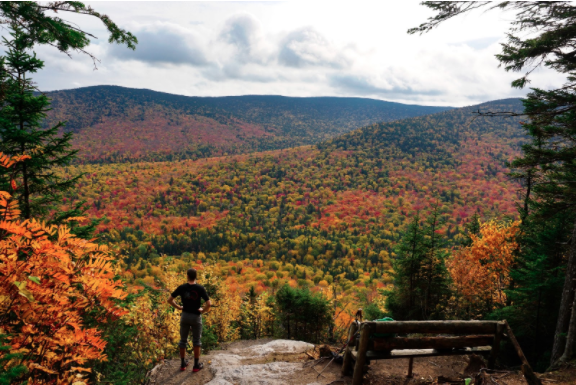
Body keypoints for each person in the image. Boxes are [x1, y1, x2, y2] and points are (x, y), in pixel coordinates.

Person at [168, 268, 211, 372]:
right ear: (196, 276)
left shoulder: (182, 287)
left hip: (185, 316)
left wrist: (178, 307)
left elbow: (169, 300)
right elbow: (208, 304)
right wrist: (202, 311)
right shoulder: (200, 288)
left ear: (187, 276)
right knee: (196, 341)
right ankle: (196, 365)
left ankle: (183, 364)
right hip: (196, 317)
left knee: (183, 341)